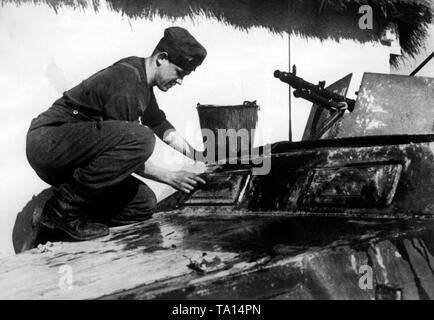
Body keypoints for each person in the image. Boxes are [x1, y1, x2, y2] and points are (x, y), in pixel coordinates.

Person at [26, 26, 207, 241]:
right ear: (162, 58)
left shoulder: (142, 80)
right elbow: (131, 150)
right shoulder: (126, 81)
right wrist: (170, 177)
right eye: (179, 73)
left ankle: (56, 225)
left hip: (72, 152)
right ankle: (61, 211)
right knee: (142, 139)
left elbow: (158, 123)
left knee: (143, 203)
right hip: (48, 141)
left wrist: (197, 155)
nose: (180, 81)